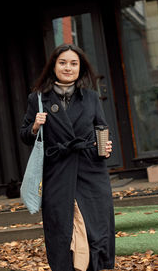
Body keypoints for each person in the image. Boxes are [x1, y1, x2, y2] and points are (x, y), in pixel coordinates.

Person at [20, 44, 115, 271]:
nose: (68, 68)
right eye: (63, 62)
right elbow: (25, 135)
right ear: (53, 66)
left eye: (74, 63)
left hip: (90, 170)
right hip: (57, 172)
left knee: (96, 227)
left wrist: (106, 146)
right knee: (62, 228)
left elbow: (101, 128)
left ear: (80, 68)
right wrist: (34, 126)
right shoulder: (38, 99)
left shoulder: (91, 98)